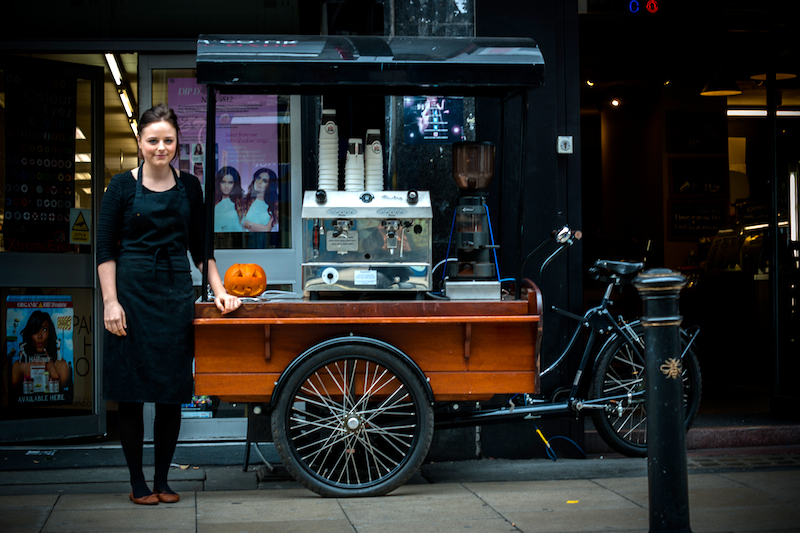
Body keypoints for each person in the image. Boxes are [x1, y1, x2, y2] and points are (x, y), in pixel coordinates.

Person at [97, 104, 241, 506]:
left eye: (168, 140)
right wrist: (111, 303)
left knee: (170, 390)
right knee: (130, 392)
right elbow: (105, 250)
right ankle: (137, 482)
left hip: (175, 295)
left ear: (177, 143)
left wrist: (219, 290)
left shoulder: (190, 187)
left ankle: (163, 480)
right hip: (131, 296)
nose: (161, 147)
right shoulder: (121, 187)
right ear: (139, 142)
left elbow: (201, 249)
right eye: (153, 140)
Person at [10, 310, 71, 392]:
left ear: (50, 332)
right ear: (30, 334)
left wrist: (54, 375)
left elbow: (66, 395)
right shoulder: (19, 365)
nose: (39, 336)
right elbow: (13, 397)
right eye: (35, 330)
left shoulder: (61, 365)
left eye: (44, 330)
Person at [242, 168, 278, 232]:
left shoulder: (274, 205)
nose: (259, 182)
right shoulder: (244, 201)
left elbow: (267, 229)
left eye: (265, 181)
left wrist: (247, 224)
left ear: (270, 185)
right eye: (258, 178)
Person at [214, 166, 244, 232]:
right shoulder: (213, 203)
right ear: (219, 183)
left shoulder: (240, 204)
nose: (226, 186)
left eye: (230, 182)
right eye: (223, 182)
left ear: (235, 184)